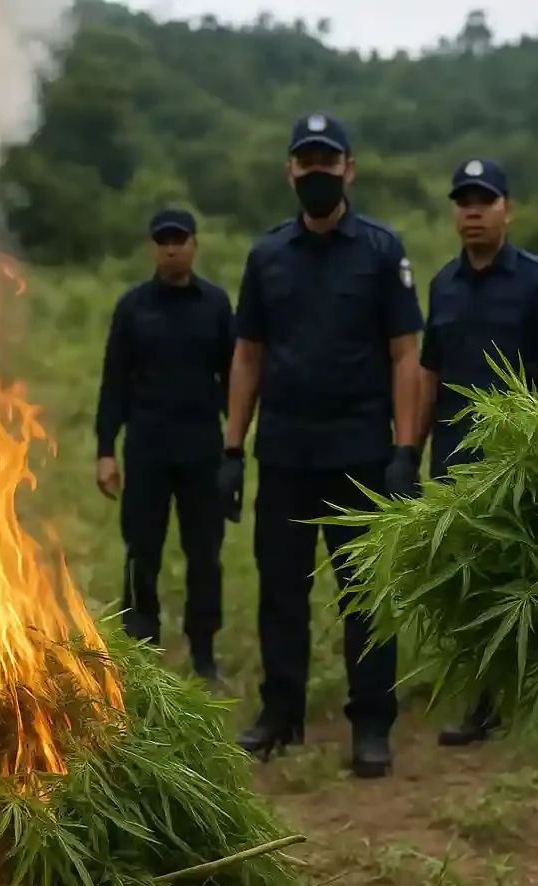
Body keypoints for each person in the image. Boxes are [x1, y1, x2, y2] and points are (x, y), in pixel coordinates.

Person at [218, 111, 424, 778]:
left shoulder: (381, 251)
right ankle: (281, 714)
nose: (316, 174)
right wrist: (230, 449)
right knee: (280, 592)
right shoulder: (266, 255)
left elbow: (404, 356)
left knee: (366, 594)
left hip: (360, 453)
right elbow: (246, 356)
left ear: (349, 169)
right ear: (290, 172)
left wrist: (405, 450)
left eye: (327, 162)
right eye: (306, 163)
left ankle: (371, 725)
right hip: (282, 454)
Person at [418, 157, 538, 768]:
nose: (471, 210)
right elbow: (429, 372)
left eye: (484, 200)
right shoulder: (442, 285)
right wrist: (407, 450)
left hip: (520, 465)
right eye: (462, 200)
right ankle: (485, 705)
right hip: (457, 461)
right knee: (476, 587)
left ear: (507, 209)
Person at [95, 207, 234, 682]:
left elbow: (234, 377)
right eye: (163, 240)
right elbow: (113, 382)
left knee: (204, 554)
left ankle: (204, 655)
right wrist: (105, 451)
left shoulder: (216, 305)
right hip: (148, 449)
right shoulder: (133, 307)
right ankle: (140, 652)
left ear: (195, 244)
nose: (172, 248)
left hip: (202, 450)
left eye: (180, 239)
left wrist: (235, 448)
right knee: (141, 552)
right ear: (153, 247)